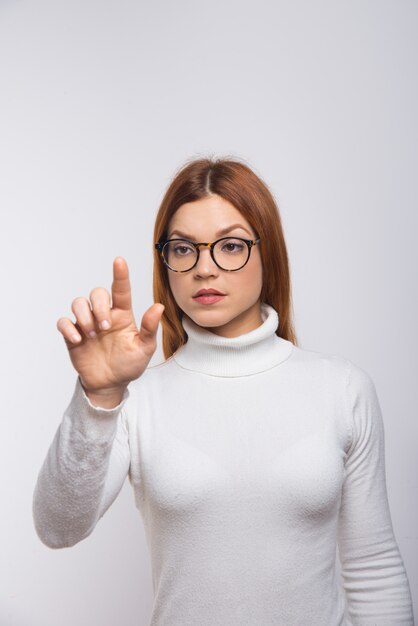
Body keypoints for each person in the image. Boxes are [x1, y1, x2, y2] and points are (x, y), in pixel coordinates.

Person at [32, 156, 414, 625]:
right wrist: (100, 395)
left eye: (230, 246)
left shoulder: (342, 388)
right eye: (183, 248)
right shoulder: (139, 401)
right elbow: (57, 527)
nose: (204, 269)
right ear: (166, 261)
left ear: (266, 252)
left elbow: (372, 567)